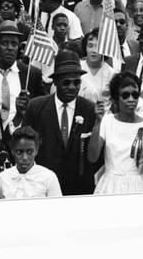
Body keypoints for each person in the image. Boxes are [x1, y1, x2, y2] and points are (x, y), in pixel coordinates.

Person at [24, 50, 99, 195]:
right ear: (56, 82)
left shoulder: (90, 109)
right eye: (66, 82)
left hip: (79, 188)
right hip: (42, 187)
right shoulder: (36, 107)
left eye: (77, 82)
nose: (72, 87)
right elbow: (26, 145)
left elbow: (95, 154)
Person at [0, 21, 45, 141]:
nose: (10, 48)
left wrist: (29, 106)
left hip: (22, 143)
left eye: (14, 44)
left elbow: (42, 108)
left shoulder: (31, 74)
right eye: (5, 43)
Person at [87, 72, 143, 194]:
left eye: (135, 95)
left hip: (137, 186)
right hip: (109, 185)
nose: (131, 99)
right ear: (116, 98)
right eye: (125, 95)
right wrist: (98, 122)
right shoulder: (106, 120)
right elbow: (92, 157)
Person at [0, 126, 63, 198]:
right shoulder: (3, 178)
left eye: (29, 152)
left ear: (36, 151)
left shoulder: (49, 177)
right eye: (19, 152)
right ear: (12, 151)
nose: (24, 158)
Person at [78, 29, 115, 106]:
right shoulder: (77, 67)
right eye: (90, 46)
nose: (94, 51)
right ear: (85, 47)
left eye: (98, 47)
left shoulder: (111, 74)